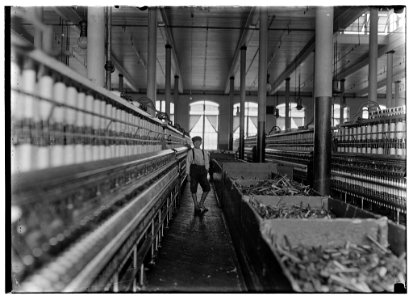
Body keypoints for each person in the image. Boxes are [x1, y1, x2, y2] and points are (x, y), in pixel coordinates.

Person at [186, 136, 210, 214]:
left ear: (201, 143)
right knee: (193, 188)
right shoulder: (190, 152)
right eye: (195, 142)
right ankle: (196, 205)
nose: (197, 143)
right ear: (193, 143)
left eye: (198, 142)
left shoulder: (204, 152)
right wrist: (188, 174)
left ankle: (201, 203)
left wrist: (207, 170)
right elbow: (188, 163)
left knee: (207, 188)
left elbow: (206, 162)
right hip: (194, 170)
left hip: (202, 171)